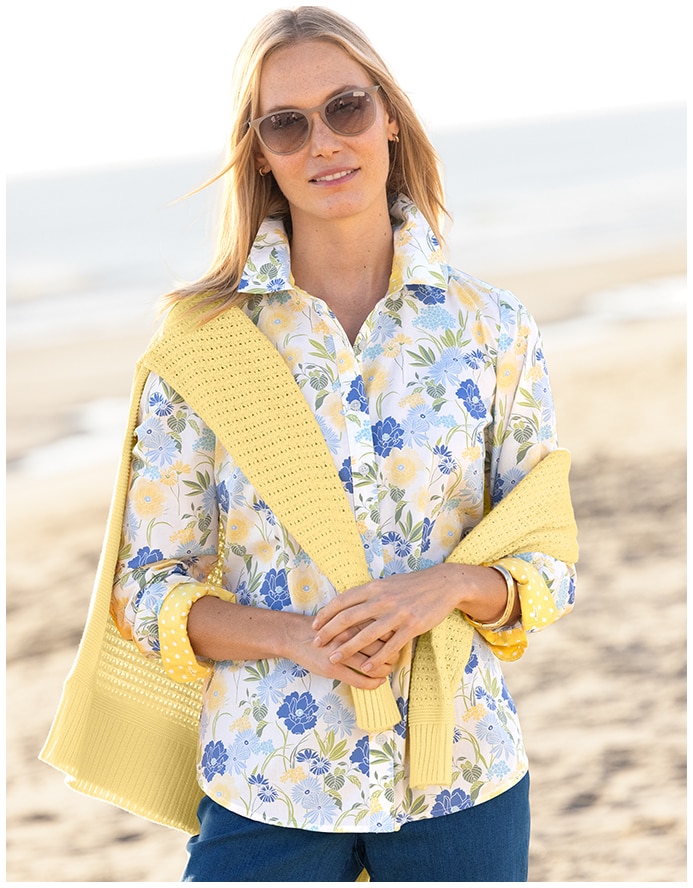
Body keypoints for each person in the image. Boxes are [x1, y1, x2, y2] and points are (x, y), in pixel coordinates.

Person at [41, 5, 578, 882]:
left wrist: (443, 588)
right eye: (285, 124)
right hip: (266, 781)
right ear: (259, 152)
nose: (323, 142)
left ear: (390, 117)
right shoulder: (205, 342)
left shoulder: (492, 329)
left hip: (461, 773)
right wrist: (297, 639)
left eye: (346, 108)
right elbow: (145, 592)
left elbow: (547, 565)